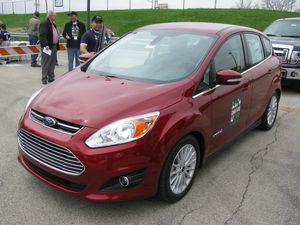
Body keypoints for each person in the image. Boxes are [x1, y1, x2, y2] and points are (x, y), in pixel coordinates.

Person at [39, 10, 60, 85]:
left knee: (52, 63)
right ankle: (44, 78)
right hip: (47, 47)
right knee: (46, 63)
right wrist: (45, 44)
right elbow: (42, 35)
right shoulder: (44, 24)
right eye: (55, 15)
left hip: (54, 46)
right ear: (51, 16)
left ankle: (51, 78)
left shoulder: (53, 24)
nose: (56, 17)